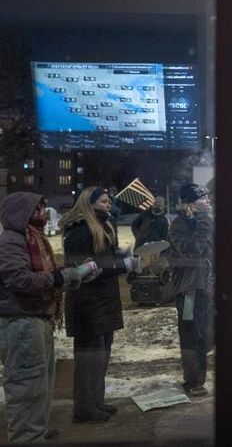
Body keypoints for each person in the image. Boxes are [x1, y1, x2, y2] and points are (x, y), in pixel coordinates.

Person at [0, 193, 99, 442]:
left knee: (40, 384)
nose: (45, 211)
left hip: (35, 319)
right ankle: (27, 438)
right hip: (21, 323)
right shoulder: (12, 240)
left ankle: (36, 433)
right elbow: (19, 280)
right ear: (23, 212)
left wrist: (73, 275)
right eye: (39, 207)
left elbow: (45, 279)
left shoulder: (33, 237)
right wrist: (60, 277)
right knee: (27, 387)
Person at [61, 186, 138, 422]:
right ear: (89, 203)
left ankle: (95, 401)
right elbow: (85, 267)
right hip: (87, 304)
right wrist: (120, 265)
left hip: (103, 301)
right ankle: (84, 408)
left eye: (108, 201)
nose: (108, 205)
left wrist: (121, 257)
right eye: (104, 201)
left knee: (101, 356)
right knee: (89, 359)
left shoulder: (103, 226)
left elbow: (102, 259)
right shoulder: (79, 230)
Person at [168, 183, 215, 397]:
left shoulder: (205, 222)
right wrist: (204, 220)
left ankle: (197, 377)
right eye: (202, 198)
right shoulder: (179, 225)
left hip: (206, 287)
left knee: (205, 334)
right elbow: (194, 250)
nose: (207, 201)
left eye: (207, 197)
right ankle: (193, 381)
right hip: (189, 289)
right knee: (191, 334)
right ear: (190, 203)